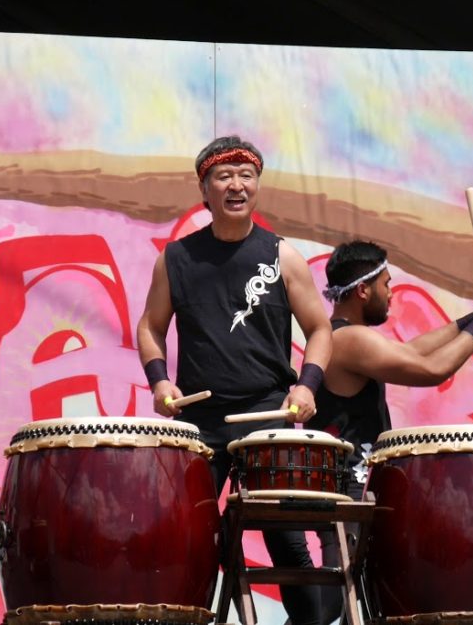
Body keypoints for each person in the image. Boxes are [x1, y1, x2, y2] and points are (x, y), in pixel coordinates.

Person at [135, 135, 331, 625]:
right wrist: (160, 383)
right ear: (206, 189)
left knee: (285, 539)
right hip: (201, 419)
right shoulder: (176, 259)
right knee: (190, 536)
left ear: (257, 187)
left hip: (268, 414)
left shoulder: (282, 256)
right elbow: (150, 326)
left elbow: (320, 328)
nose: (237, 185)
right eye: (224, 176)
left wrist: (306, 385)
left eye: (246, 176)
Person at [306, 240, 473, 625]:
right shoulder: (348, 340)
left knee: (342, 601)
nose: (391, 293)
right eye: (386, 284)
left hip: (350, 489)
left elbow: (414, 351)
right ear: (362, 290)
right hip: (345, 492)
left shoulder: (346, 336)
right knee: (332, 604)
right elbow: (431, 370)